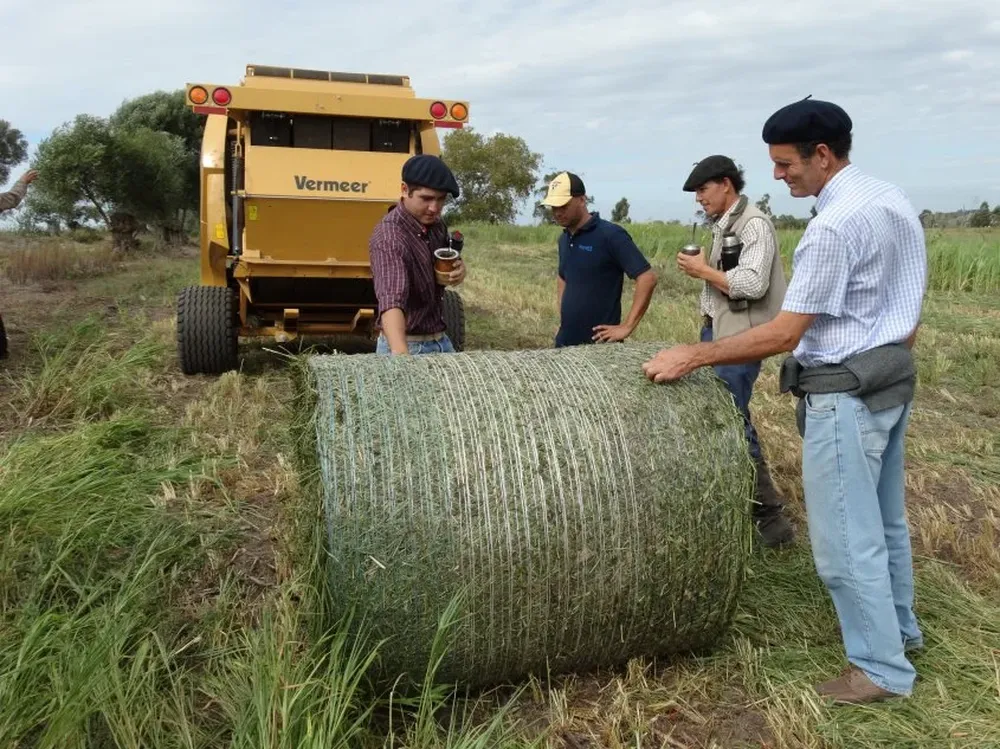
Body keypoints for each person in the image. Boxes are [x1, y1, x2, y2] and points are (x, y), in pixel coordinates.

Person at [641, 97, 927, 705]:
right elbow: (910, 312)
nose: (777, 175)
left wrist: (691, 355)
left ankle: (879, 669)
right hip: (890, 379)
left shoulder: (833, 225)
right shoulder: (892, 199)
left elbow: (783, 333)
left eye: (785, 164)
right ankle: (901, 633)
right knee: (885, 523)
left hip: (844, 394)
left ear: (822, 156)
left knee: (845, 541)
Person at [677, 155, 794, 548]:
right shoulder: (722, 225)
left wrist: (702, 272)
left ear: (725, 184)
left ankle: (769, 518)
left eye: (703, 189)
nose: (699, 198)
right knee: (724, 415)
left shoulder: (754, 223)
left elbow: (752, 282)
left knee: (732, 418)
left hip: (743, 336)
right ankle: (738, 506)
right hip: (720, 330)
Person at [540, 172, 657, 347]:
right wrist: (564, 322)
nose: (557, 212)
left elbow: (647, 278)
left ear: (582, 200)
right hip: (565, 343)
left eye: (563, 205)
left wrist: (626, 327)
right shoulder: (564, 239)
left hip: (599, 347)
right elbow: (563, 277)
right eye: (553, 207)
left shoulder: (611, 235)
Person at [369, 155, 466, 355]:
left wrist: (459, 269)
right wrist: (401, 355)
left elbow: (443, 262)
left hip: (440, 340)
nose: (435, 208)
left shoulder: (436, 225)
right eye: (427, 198)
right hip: (408, 344)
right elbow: (391, 301)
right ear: (405, 190)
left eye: (441, 199)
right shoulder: (390, 236)